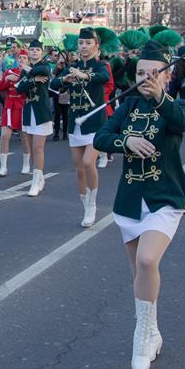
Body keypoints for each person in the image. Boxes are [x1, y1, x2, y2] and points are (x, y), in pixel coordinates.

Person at [94, 40, 185, 369]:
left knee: (148, 260)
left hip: (164, 196)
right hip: (130, 198)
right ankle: (152, 330)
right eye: (140, 73)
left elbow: (181, 122)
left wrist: (160, 98)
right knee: (139, 272)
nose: (145, 78)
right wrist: (126, 141)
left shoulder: (175, 105)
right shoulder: (127, 106)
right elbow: (101, 137)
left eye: (154, 73)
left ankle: (140, 336)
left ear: (167, 76)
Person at [51, 27, 109, 228]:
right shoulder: (72, 67)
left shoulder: (100, 66)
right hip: (75, 122)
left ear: (96, 46)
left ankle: (92, 205)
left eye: (88, 43)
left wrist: (84, 75)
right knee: (78, 169)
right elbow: (53, 85)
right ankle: (85, 205)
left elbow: (104, 78)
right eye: (81, 43)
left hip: (94, 122)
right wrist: (64, 79)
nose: (84, 46)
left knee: (88, 162)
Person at [16, 40, 53, 196]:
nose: (34, 52)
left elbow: (44, 71)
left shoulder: (45, 66)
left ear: (41, 52)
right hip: (28, 111)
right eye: (32, 49)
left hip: (41, 111)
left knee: (38, 148)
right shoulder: (26, 70)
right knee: (31, 149)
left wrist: (28, 71)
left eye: (38, 49)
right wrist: (33, 79)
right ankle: (39, 178)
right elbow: (20, 88)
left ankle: (35, 182)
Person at [0, 51, 31, 174]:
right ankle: (3, 167)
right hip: (9, 107)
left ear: (28, 60)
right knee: (5, 135)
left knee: (24, 136)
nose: (21, 59)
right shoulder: (10, 71)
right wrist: (6, 79)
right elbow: (0, 88)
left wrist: (22, 78)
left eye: (24, 57)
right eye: (20, 57)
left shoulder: (30, 73)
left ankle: (26, 164)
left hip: (23, 107)